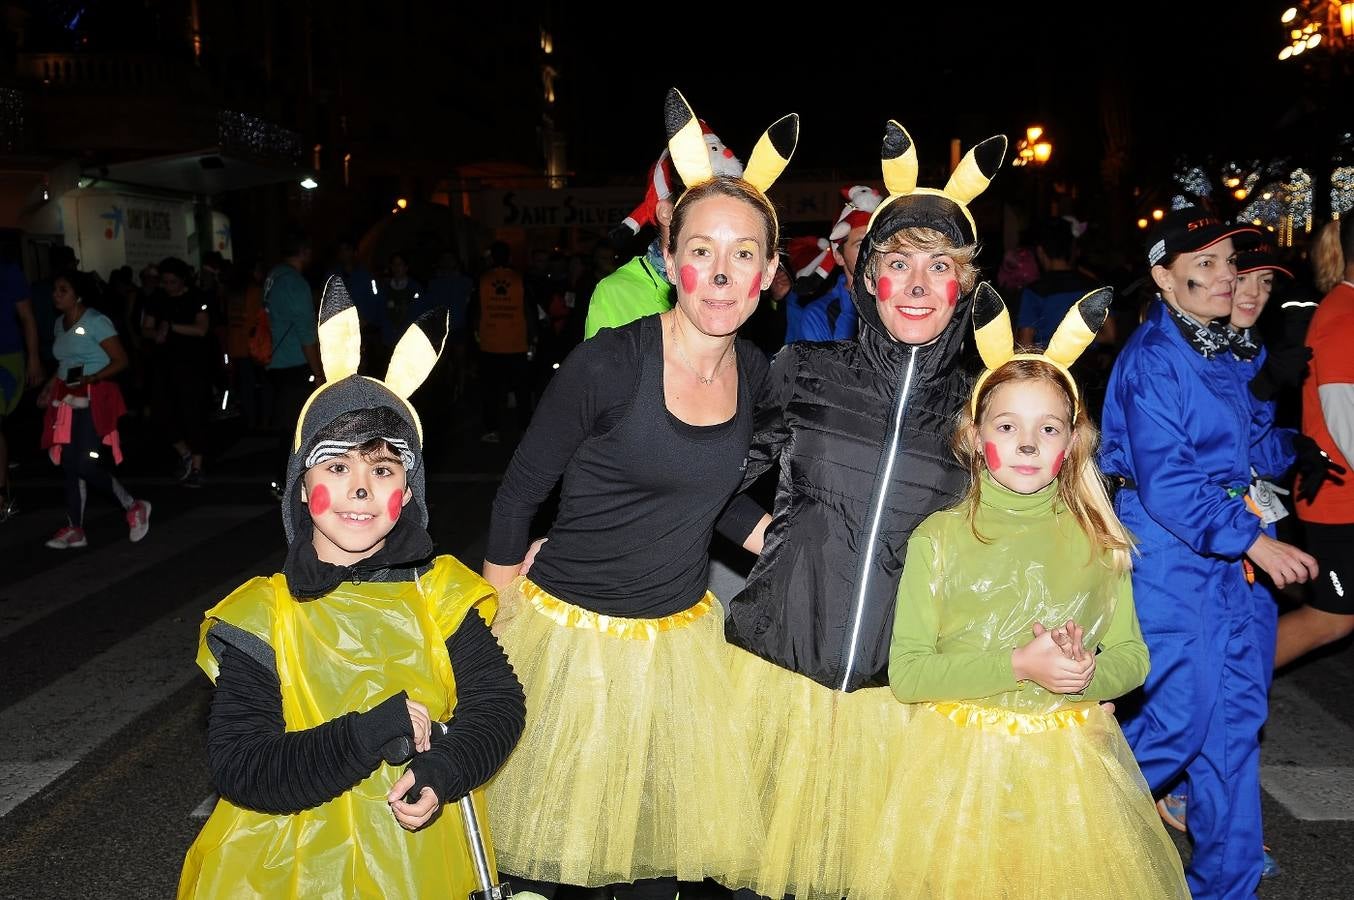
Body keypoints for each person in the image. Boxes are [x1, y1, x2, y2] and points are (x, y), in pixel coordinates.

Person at [479, 88, 796, 900]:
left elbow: (712, 489)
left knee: (656, 866)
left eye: (743, 253)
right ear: (671, 254)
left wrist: (787, 545)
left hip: (676, 649)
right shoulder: (610, 362)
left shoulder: (756, 374)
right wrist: (496, 623)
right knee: (548, 866)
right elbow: (519, 496)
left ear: (768, 272)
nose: (721, 272)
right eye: (702, 249)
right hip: (571, 645)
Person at [714, 122, 1005, 900]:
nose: (916, 283)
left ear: (965, 289)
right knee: (754, 880)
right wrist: (767, 537)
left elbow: (1023, 542)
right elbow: (704, 479)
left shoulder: (983, 410)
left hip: (900, 700)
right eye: (897, 263)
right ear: (867, 279)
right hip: (778, 676)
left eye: (938, 267)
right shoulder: (805, 369)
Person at [178, 276, 526, 899]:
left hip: (418, 864)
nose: (360, 488)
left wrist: (444, 769)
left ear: (407, 494)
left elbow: (498, 706)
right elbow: (243, 765)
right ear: (299, 483)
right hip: (291, 870)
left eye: (382, 468)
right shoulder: (263, 615)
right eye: (337, 466)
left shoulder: (437, 593)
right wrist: (368, 733)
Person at [860, 285, 1188, 899]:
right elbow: (908, 673)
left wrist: (1084, 677)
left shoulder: (1101, 539)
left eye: (1049, 428)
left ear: (1072, 445)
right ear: (973, 436)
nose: (1029, 443)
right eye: (1008, 426)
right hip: (955, 770)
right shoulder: (939, 537)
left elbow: (1133, 658)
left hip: (1066, 774)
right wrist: (1020, 665)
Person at [1100, 206, 1322, 900]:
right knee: (1178, 719)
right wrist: (1252, 538)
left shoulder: (1223, 348)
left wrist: (1294, 449)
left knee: (1234, 725)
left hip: (1231, 549)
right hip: (1174, 551)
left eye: (1229, 262)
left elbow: (1241, 450)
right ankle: (1070, 836)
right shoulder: (1155, 359)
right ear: (1163, 279)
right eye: (1207, 266)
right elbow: (1169, 481)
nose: (1227, 277)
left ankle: (1227, 885)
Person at [584, 120, 744, 340]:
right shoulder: (616, 292)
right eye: (698, 204)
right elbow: (597, 373)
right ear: (666, 213)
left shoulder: (729, 285)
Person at [38, 271, 150, 549]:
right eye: (55, 289)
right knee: (69, 464)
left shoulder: (96, 321)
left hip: (92, 396)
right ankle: (75, 527)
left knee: (85, 463)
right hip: (65, 398)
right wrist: (49, 387)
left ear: (78, 294)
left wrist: (93, 378)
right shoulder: (58, 324)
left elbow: (121, 359)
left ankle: (133, 505)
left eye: (63, 289)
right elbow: (64, 363)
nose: (56, 294)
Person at [781, 184, 881, 344]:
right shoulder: (820, 315)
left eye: (877, 243)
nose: (871, 252)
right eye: (860, 244)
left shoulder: (899, 303)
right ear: (838, 256)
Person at [144, 256, 212, 487]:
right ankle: (184, 453)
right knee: (161, 414)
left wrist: (172, 327)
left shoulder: (196, 297)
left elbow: (202, 329)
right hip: (164, 365)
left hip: (192, 366)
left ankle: (197, 465)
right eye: (164, 281)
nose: (168, 286)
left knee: (193, 414)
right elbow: (147, 328)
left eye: (172, 281)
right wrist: (156, 333)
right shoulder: (157, 298)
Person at [265, 230, 323, 497]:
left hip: (275, 359)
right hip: (295, 362)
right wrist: (318, 371)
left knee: (289, 424)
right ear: (304, 252)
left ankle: (285, 480)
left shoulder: (273, 276)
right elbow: (306, 333)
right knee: (298, 426)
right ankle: (286, 482)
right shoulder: (295, 283)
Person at [475, 241, 536, 444]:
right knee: (522, 391)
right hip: (516, 343)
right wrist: (532, 338)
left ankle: (492, 430)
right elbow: (530, 311)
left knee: (490, 391)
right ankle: (525, 429)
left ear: (492, 257)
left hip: (489, 344)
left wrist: (476, 337)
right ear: (509, 258)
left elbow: (475, 313)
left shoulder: (482, 280)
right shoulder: (520, 280)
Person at [0, 252, 42, 520]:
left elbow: (27, 317)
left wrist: (34, 359)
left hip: (6, 356)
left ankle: (2, 497)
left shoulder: (7, 270)